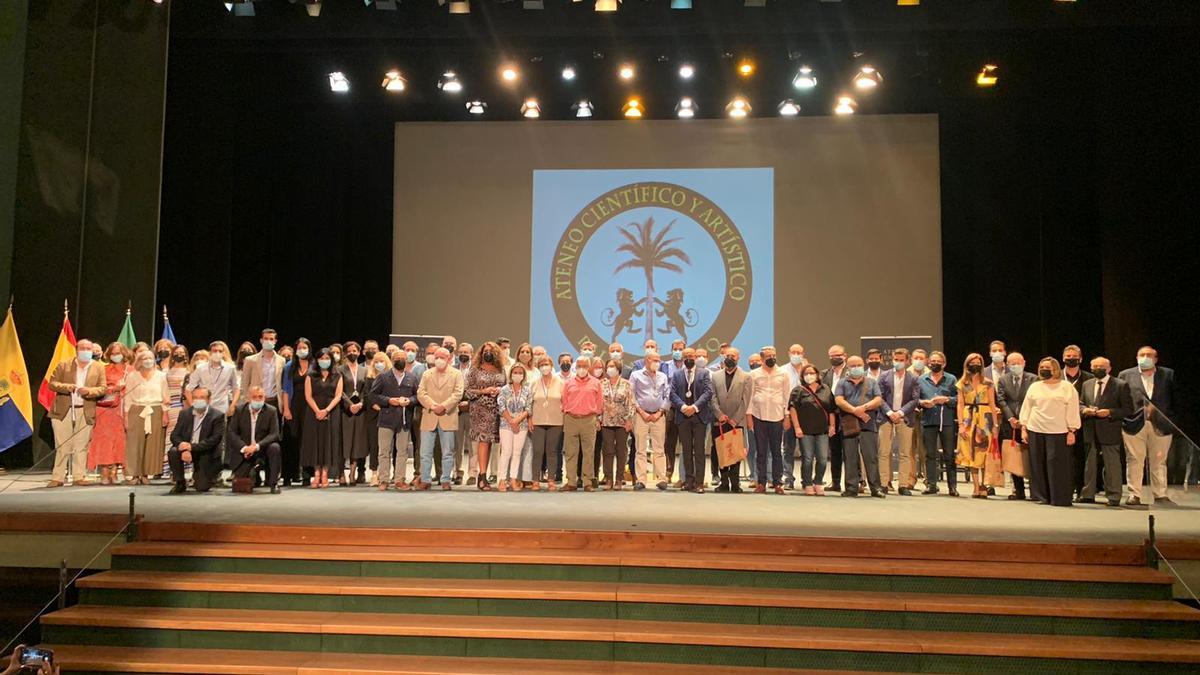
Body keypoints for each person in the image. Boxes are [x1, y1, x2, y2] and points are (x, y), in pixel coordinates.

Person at [1020, 357, 1082, 507]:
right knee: (1038, 463)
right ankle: (1042, 496)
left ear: (1055, 369)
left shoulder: (1066, 387)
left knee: (1057, 465)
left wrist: (1071, 430)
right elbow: (1027, 407)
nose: (1044, 369)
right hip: (1036, 429)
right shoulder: (1035, 387)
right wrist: (1024, 428)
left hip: (1059, 431)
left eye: (1047, 367)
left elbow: (1073, 409)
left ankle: (1059, 498)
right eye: (1042, 367)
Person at [1119, 346, 1176, 506]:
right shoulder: (1125, 375)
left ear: (1156, 359)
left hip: (1161, 423)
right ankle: (1134, 494)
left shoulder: (1168, 374)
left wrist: (1168, 416)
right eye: (1142, 355)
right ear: (1137, 358)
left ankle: (1160, 494)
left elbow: (1175, 399)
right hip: (1134, 423)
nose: (1145, 357)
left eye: (1149, 355)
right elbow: (1122, 399)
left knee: (1159, 460)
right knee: (1135, 459)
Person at [46, 339, 106, 487]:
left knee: (82, 445)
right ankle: (58, 477)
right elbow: (52, 384)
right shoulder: (64, 365)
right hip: (64, 410)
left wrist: (89, 391)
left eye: (88, 348)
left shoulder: (98, 367)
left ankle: (79, 476)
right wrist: (67, 387)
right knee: (62, 445)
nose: (85, 351)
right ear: (77, 350)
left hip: (85, 410)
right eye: (83, 348)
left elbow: (103, 388)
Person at [1080, 356, 1133, 506]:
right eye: (1094, 366)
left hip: (1110, 428)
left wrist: (1109, 412)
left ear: (1109, 368)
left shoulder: (1120, 385)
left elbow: (1128, 409)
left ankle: (1114, 496)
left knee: (1112, 464)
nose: (1097, 369)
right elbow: (1081, 403)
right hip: (1090, 428)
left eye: (1101, 366)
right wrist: (1085, 410)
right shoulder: (1087, 384)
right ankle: (1088, 494)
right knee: (1090, 464)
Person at [835, 356, 885, 499]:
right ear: (848, 368)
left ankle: (876, 488)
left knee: (871, 457)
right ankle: (851, 488)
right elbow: (839, 400)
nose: (856, 367)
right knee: (850, 457)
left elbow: (878, 399)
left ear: (863, 365)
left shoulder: (871, 382)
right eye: (853, 365)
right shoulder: (842, 383)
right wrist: (854, 410)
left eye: (859, 364)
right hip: (849, 424)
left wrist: (864, 407)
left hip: (868, 424)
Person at [417, 347, 465, 490]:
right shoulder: (427, 374)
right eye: (436, 356)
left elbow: (458, 393)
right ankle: (425, 480)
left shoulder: (456, 374)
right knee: (425, 452)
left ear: (449, 358)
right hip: (429, 415)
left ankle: (445, 480)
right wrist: (432, 405)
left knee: (448, 451)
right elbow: (421, 393)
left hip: (447, 416)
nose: (438, 359)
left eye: (442, 357)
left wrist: (443, 406)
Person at [372, 349, 420, 491]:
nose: (400, 360)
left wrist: (409, 400)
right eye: (397, 358)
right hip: (386, 419)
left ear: (406, 360)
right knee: (384, 451)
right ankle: (384, 480)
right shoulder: (383, 377)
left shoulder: (411, 378)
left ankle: (399, 480)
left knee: (402, 451)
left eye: (402, 358)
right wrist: (389, 400)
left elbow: (417, 397)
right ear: (392, 361)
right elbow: (373, 395)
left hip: (404, 420)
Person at [877, 348, 921, 495]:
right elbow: (879, 397)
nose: (898, 363)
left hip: (905, 417)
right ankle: (883, 483)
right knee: (884, 451)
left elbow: (915, 400)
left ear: (907, 361)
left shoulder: (913, 378)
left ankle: (903, 485)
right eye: (896, 360)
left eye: (902, 360)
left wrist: (900, 412)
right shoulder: (884, 376)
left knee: (905, 453)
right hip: (886, 416)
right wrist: (890, 412)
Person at [123, 349, 171, 485]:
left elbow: (165, 395)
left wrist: (165, 413)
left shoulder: (160, 376)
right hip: (137, 409)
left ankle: (145, 474)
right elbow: (128, 396)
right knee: (134, 443)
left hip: (155, 410)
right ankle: (134, 474)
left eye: (150, 358)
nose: (148, 361)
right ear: (139, 361)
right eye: (145, 358)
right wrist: (126, 416)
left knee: (152, 444)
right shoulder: (133, 376)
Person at [669, 347, 713, 493]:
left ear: (695, 357)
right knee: (686, 450)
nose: (688, 358)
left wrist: (694, 407)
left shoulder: (704, 373)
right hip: (683, 417)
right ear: (682, 357)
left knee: (699, 450)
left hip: (699, 416)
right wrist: (682, 407)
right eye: (686, 356)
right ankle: (689, 480)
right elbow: (672, 393)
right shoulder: (677, 374)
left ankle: (699, 483)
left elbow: (708, 392)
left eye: (691, 356)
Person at [955, 353, 999, 499]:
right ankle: (975, 486)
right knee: (971, 452)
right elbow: (960, 404)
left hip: (984, 419)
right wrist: (961, 425)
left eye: (978, 362)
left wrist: (995, 424)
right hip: (968, 418)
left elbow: (993, 404)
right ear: (967, 365)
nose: (975, 364)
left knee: (984, 452)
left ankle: (984, 485)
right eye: (972, 362)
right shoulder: (962, 383)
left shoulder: (988, 383)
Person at [748, 346, 790, 495]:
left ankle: (778, 482)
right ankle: (761, 483)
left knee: (777, 451)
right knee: (761, 452)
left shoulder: (783, 374)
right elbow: (750, 397)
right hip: (758, 416)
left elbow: (787, 396)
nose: (772, 357)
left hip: (777, 416)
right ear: (762, 358)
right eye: (768, 356)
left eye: (774, 355)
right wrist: (749, 417)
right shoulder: (754, 374)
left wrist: (787, 416)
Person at [166, 387, 224, 493]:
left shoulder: (217, 416)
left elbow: (214, 439)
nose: (198, 400)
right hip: (187, 449)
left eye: (202, 397)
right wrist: (184, 447)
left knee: (201, 487)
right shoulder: (184, 414)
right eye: (195, 398)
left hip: (205, 453)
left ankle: (203, 476)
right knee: (173, 451)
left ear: (209, 400)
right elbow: (174, 435)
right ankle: (180, 482)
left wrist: (191, 447)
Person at [87, 342, 130, 485]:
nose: (116, 356)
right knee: (104, 441)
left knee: (120, 441)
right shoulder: (104, 369)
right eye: (113, 353)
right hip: (106, 409)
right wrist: (114, 388)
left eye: (118, 353)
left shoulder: (131, 370)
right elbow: (98, 388)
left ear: (124, 353)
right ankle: (104, 472)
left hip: (124, 409)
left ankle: (115, 472)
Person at [226, 386, 283, 494]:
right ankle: (255, 475)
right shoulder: (239, 410)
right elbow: (232, 433)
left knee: (275, 447)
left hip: (262, 449)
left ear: (264, 398)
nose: (257, 399)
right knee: (244, 483)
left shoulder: (271, 411)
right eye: (254, 397)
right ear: (248, 398)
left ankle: (273, 483)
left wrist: (256, 447)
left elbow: (274, 434)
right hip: (245, 450)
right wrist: (244, 448)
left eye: (260, 397)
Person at [710, 347, 752, 493]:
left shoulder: (746, 376)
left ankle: (735, 483)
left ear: (738, 358)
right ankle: (723, 483)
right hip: (719, 421)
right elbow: (712, 398)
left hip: (736, 422)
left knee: (735, 453)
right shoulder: (715, 376)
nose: (730, 358)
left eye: (733, 356)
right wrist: (719, 414)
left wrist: (735, 419)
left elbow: (745, 401)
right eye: (728, 355)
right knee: (721, 452)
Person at [998, 352, 1039, 501]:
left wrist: (1024, 419)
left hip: (1029, 423)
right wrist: (1010, 418)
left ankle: (1035, 491)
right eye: (1011, 363)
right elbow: (1001, 400)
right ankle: (1018, 491)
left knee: (1033, 457)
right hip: (1010, 424)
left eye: (1017, 363)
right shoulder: (1003, 380)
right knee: (1014, 457)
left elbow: (1035, 401)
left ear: (1024, 363)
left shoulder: (1034, 379)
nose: (1015, 366)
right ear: (1007, 365)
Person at [788, 363, 834, 495]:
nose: (809, 376)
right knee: (807, 458)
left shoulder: (825, 389)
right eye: (806, 373)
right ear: (802, 376)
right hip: (805, 430)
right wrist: (797, 427)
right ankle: (807, 483)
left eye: (812, 373)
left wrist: (832, 425)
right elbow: (792, 409)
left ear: (817, 375)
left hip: (822, 430)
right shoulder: (798, 390)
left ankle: (818, 482)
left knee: (823, 459)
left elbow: (831, 409)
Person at [464, 342, 504, 490]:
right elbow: (468, 391)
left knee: (493, 443)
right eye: (486, 351)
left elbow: (506, 387)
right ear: (481, 353)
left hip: (497, 410)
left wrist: (498, 390)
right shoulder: (475, 370)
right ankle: (482, 477)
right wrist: (484, 391)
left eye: (491, 351)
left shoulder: (501, 369)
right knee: (484, 442)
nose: (488, 353)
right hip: (480, 411)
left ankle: (491, 476)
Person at [918, 351, 958, 496]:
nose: (935, 363)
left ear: (944, 364)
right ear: (929, 363)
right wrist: (922, 402)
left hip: (946, 421)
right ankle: (932, 485)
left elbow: (959, 398)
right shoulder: (922, 379)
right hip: (928, 420)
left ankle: (952, 486)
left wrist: (947, 400)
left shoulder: (951, 379)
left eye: (938, 361)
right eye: (932, 361)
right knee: (930, 454)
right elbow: (916, 399)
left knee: (949, 455)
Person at [302, 348, 343, 489]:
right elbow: (308, 396)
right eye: (321, 358)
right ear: (317, 360)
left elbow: (338, 396)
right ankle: (316, 473)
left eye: (327, 358)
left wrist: (326, 410)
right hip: (313, 412)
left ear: (331, 360)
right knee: (315, 442)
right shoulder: (310, 375)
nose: (324, 361)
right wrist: (318, 410)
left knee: (328, 441)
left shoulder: (337, 375)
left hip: (331, 411)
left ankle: (325, 473)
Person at [561, 355, 603, 492]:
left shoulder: (596, 383)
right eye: (579, 365)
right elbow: (564, 400)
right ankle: (571, 482)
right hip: (571, 419)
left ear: (589, 367)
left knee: (588, 452)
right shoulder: (568, 383)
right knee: (570, 453)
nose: (581, 368)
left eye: (584, 366)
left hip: (589, 419)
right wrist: (569, 412)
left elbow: (599, 402)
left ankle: (587, 482)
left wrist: (596, 417)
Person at [630, 351, 670, 491]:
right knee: (640, 449)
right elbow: (632, 395)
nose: (657, 363)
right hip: (641, 416)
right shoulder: (636, 375)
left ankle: (662, 479)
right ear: (647, 360)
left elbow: (667, 396)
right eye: (655, 360)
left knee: (659, 449)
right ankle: (641, 480)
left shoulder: (663, 376)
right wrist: (641, 412)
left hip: (658, 416)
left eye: (659, 360)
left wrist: (660, 412)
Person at [1061, 345, 1096, 500]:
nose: (1070, 358)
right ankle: (1064, 488)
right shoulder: (1056, 377)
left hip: (1084, 424)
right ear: (1063, 359)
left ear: (1080, 359)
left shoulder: (1089, 378)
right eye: (1068, 356)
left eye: (1074, 356)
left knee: (1081, 457)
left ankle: (1082, 490)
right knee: (1063, 458)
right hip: (1060, 424)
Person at [496, 364, 534, 492]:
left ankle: (513, 478)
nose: (517, 374)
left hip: (521, 425)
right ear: (511, 374)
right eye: (515, 372)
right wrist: (511, 421)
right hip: (506, 425)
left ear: (523, 375)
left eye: (520, 372)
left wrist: (517, 421)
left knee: (517, 453)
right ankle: (502, 479)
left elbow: (528, 408)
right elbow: (501, 407)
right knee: (506, 452)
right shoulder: (504, 389)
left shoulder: (527, 390)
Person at [280, 338, 312, 487]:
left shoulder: (314, 366)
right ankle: (288, 475)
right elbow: (286, 389)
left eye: (305, 347)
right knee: (290, 441)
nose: (302, 350)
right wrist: (286, 409)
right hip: (293, 406)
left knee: (307, 442)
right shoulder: (289, 366)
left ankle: (306, 475)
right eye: (299, 348)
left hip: (309, 407)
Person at [599, 358, 635, 490]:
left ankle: (619, 479)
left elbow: (631, 403)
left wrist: (629, 420)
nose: (610, 369)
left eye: (613, 366)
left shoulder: (626, 384)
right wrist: (598, 419)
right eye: (608, 366)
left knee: (621, 451)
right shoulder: (602, 384)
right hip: (606, 422)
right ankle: (608, 479)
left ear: (618, 368)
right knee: (607, 451)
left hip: (622, 422)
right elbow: (599, 403)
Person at [529, 355, 564, 491]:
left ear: (551, 366)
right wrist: (529, 419)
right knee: (537, 451)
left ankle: (551, 479)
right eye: (542, 364)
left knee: (552, 451)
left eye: (547, 364)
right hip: (537, 421)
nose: (545, 367)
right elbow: (529, 403)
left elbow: (565, 402)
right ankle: (535, 480)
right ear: (539, 367)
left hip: (556, 421)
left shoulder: (560, 382)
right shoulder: (534, 383)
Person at [338, 341, 370, 486]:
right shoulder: (339, 369)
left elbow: (366, 390)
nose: (352, 353)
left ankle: (352, 473)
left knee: (356, 443)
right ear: (345, 353)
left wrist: (361, 403)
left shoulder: (364, 370)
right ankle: (341, 474)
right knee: (343, 443)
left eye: (355, 351)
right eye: (349, 351)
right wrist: (349, 405)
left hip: (360, 411)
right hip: (345, 411)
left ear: (359, 352)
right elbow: (339, 391)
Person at [821, 344, 849, 492]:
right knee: (835, 450)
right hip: (832, 416)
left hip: (848, 415)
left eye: (837, 355)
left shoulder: (851, 373)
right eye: (831, 356)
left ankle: (855, 482)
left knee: (850, 450)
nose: (834, 358)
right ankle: (836, 482)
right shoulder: (825, 374)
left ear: (845, 356)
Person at [186, 341, 240, 417]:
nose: (217, 353)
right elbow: (188, 389)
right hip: (203, 408)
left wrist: (233, 405)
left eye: (220, 351)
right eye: (215, 351)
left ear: (223, 353)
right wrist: (193, 405)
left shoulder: (230, 368)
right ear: (210, 352)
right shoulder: (200, 368)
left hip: (222, 408)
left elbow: (236, 388)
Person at [161, 344, 190, 480]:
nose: (179, 354)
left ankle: (185, 470)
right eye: (177, 352)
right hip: (171, 406)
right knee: (171, 437)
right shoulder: (166, 372)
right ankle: (172, 470)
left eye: (182, 352)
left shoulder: (189, 371)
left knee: (185, 437)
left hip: (185, 406)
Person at [240, 328, 286, 410]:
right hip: (255, 401)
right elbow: (244, 383)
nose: (268, 341)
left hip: (274, 402)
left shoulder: (281, 361)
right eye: (266, 339)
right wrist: (247, 401)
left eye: (271, 339)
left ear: (275, 341)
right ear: (261, 340)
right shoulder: (250, 360)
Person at [363, 352, 387, 484]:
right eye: (377, 361)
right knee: (374, 445)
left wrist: (384, 406)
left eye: (382, 361)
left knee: (386, 446)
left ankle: (385, 473)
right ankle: (374, 473)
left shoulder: (390, 377)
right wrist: (375, 405)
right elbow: (367, 395)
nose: (379, 364)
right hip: (373, 415)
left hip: (388, 414)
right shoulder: (369, 378)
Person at [454, 342, 475, 485]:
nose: (463, 354)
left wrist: (469, 403)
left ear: (471, 354)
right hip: (455, 411)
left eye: (466, 352)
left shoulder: (477, 370)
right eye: (461, 352)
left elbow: (480, 389)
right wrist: (456, 404)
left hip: (472, 409)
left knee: (473, 444)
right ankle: (458, 473)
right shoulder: (452, 369)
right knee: (457, 445)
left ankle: (473, 473)